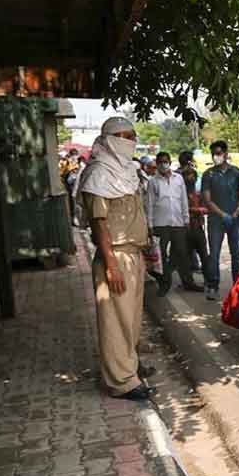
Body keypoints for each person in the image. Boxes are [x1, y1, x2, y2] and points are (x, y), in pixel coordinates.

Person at [79, 117, 154, 401]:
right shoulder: (98, 174)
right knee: (115, 319)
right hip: (116, 256)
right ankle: (121, 380)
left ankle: (130, 365)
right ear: (110, 139)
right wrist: (111, 264)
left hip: (133, 254)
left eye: (133, 136)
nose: (131, 141)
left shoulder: (127, 172)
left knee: (131, 318)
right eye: (125, 136)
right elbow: (99, 225)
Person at [147, 151, 202, 296]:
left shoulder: (178, 179)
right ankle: (164, 283)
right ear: (157, 164)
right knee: (161, 255)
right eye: (160, 162)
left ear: (170, 163)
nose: (163, 165)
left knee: (182, 253)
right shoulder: (153, 181)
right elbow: (150, 204)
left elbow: (183, 199)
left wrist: (186, 219)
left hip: (178, 222)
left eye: (166, 162)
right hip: (160, 223)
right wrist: (150, 224)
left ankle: (188, 282)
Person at [202, 140, 239, 300]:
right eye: (214, 154)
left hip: (235, 220)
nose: (217, 157)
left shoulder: (237, 173)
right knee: (214, 253)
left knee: (236, 254)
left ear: (226, 154)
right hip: (216, 220)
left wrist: (235, 214)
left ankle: (237, 286)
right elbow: (207, 200)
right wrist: (223, 215)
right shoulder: (208, 174)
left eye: (219, 153)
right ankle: (213, 285)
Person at [179, 152, 209, 283]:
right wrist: (197, 210)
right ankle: (188, 281)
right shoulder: (180, 194)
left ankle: (209, 280)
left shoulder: (198, 194)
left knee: (204, 255)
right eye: (188, 178)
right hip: (185, 228)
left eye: (193, 178)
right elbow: (181, 209)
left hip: (198, 227)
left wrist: (202, 210)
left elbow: (206, 207)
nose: (191, 180)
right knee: (184, 257)